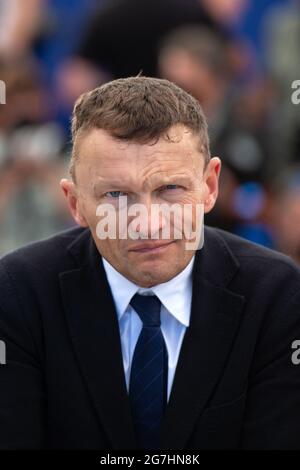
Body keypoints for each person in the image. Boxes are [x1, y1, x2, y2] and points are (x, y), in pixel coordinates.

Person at [1, 76, 300, 450]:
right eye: (116, 194)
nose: (148, 223)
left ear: (210, 186)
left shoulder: (276, 294)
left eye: (170, 190)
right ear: (75, 203)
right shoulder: (19, 292)